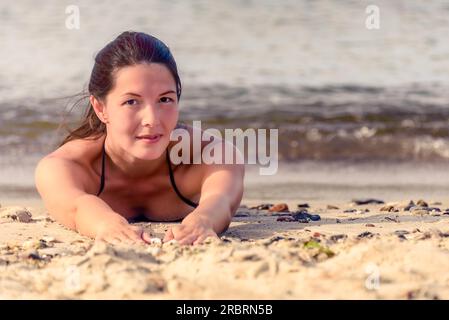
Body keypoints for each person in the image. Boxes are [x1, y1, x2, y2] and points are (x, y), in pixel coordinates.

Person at [35, 31, 244, 246]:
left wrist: (203, 220)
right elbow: (78, 207)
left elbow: (221, 201)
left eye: (165, 99)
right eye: (132, 102)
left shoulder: (212, 157)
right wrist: (106, 223)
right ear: (100, 107)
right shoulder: (65, 167)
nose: (152, 119)